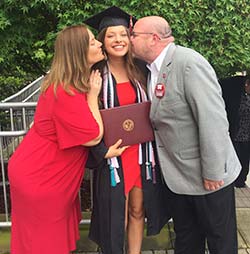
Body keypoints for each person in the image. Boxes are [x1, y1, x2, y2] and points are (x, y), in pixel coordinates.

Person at [130, 16, 241, 254]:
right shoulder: (150, 69)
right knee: (187, 240)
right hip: (178, 179)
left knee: (221, 242)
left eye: (133, 35)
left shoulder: (188, 63)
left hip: (208, 178)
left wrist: (212, 171)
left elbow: (213, 119)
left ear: (153, 39)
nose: (129, 40)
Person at [8, 24, 104, 254]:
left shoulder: (65, 82)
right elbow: (92, 135)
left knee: (40, 239)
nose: (99, 43)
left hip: (41, 171)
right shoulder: (67, 90)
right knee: (44, 243)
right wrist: (93, 96)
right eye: (92, 42)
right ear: (78, 51)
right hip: (42, 177)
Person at [84, 7, 170, 254]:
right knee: (116, 216)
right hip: (113, 155)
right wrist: (102, 151)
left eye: (123, 34)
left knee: (137, 210)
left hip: (142, 152)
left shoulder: (141, 70)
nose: (118, 40)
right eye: (111, 35)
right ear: (102, 40)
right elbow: (85, 118)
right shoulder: (94, 73)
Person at [220, 76, 250, 188]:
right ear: (247, 83)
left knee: (245, 161)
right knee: (233, 159)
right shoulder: (234, 90)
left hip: (247, 135)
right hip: (234, 133)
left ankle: (241, 182)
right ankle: (231, 182)